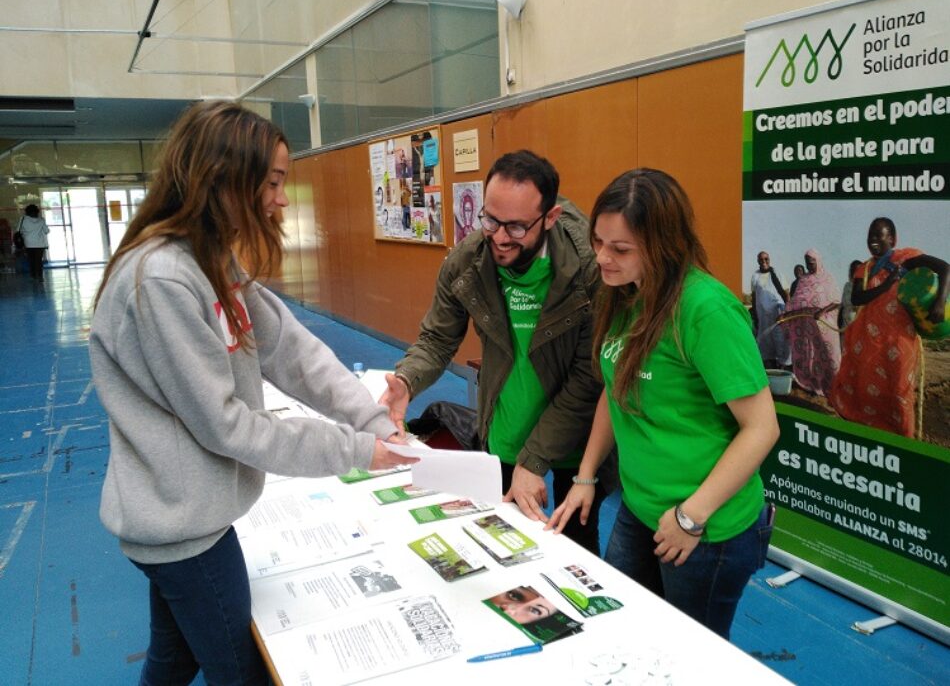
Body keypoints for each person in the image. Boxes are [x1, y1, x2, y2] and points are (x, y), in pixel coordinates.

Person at [88, 101, 414, 685]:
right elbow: (226, 425)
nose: (282, 199)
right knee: (245, 672)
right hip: (182, 530)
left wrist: (372, 421)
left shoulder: (211, 257)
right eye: (273, 182)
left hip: (182, 515)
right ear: (224, 180)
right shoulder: (163, 279)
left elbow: (290, 349)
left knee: (174, 656)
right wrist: (356, 451)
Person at [546, 168, 778, 640]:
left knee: (690, 656)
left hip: (703, 528)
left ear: (663, 245)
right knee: (622, 630)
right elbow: (617, 389)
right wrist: (586, 476)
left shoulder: (705, 311)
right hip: (641, 509)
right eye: (598, 242)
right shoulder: (626, 294)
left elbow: (762, 428)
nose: (602, 258)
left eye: (620, 249)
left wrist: (691, 516)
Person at [380, 150, 607, 554]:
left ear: (550, 218)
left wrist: (535, 460)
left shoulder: (589, 269)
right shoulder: (468, 262)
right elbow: (437, 339)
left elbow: (588, 377)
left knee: (576, 548)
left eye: (517, 227)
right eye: (490, 220)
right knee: (506, 546)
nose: (500, 238)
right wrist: (407, 380)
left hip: (578, 435)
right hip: (507, 428)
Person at [830, 217, 949, 438]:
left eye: (879, 235)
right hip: (866, 342)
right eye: (870, 236)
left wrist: (940, 301)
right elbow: (857, 298)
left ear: (892, 239)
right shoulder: (864, 269)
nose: (872, 240)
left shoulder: (905, 259)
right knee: (863, 388)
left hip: (899, 342)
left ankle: (902, 443)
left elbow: (944, 268)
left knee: (898, 393)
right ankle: (868, 436)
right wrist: (886, 285)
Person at [781, 249, 841, 396]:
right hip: (806, 326)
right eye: (807, 262)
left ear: (818, 261)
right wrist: (785, 315)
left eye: (812, 262)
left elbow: (837, 301)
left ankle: (834, 386)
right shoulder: (804, 280)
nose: (809, 265)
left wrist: (822, 311)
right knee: (809, 355)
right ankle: (812, 385)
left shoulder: (828, 278)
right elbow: (796, 301)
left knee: (828, 355)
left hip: (824, 324)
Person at [749, 250, 790, 369]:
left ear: (769, 260)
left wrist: (787, 309)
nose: (764, 261)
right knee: (765, 340)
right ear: (758, 261)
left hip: (778, 312)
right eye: (761, 259)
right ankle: (769, 366)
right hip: (763, 314)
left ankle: (783, 366)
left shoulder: (777, 273)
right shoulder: (755, 276)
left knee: (780, 338)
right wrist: (755, 314)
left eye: (766, 259)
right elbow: (754, 296)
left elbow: (786, 293)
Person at [17, 203, 50, 281]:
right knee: (38, 261)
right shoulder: (41, 220)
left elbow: (18, 230)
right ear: (37, 211)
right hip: (40, 244)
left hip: (28, 244)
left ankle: (33, 276)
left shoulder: (23, 219)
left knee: (31, 261)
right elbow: (46, 231)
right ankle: (40, 276)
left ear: (27, 212)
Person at [837, 259, 863, 340]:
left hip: (860, 325)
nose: (855, 272)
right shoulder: (847, 286)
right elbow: (844, 303)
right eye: (853, 270)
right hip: (846, 325)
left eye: (858, 270)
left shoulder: (866, 286)